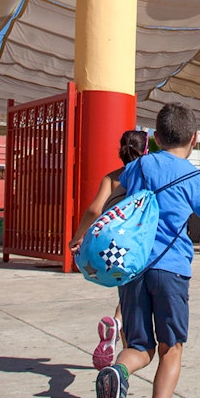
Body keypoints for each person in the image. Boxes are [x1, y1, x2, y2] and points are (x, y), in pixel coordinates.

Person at [92, 104, 200, 398]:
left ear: (157, 137)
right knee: (171, 348)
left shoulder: (138, 168)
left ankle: (117, 371)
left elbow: (106, 206)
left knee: (138, 348)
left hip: (133, 268)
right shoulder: (197, 179)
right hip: (171, 270)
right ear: (195, 138)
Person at [69, 130, 149, 370]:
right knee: (133, 294)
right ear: (146, 150)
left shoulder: (112, 177)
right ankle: (118, 328)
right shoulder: (146, 174)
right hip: (138, 241)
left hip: (113, 243)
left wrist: (79, 236)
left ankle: (118, 339)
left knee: (125, 289)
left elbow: (94, 209)